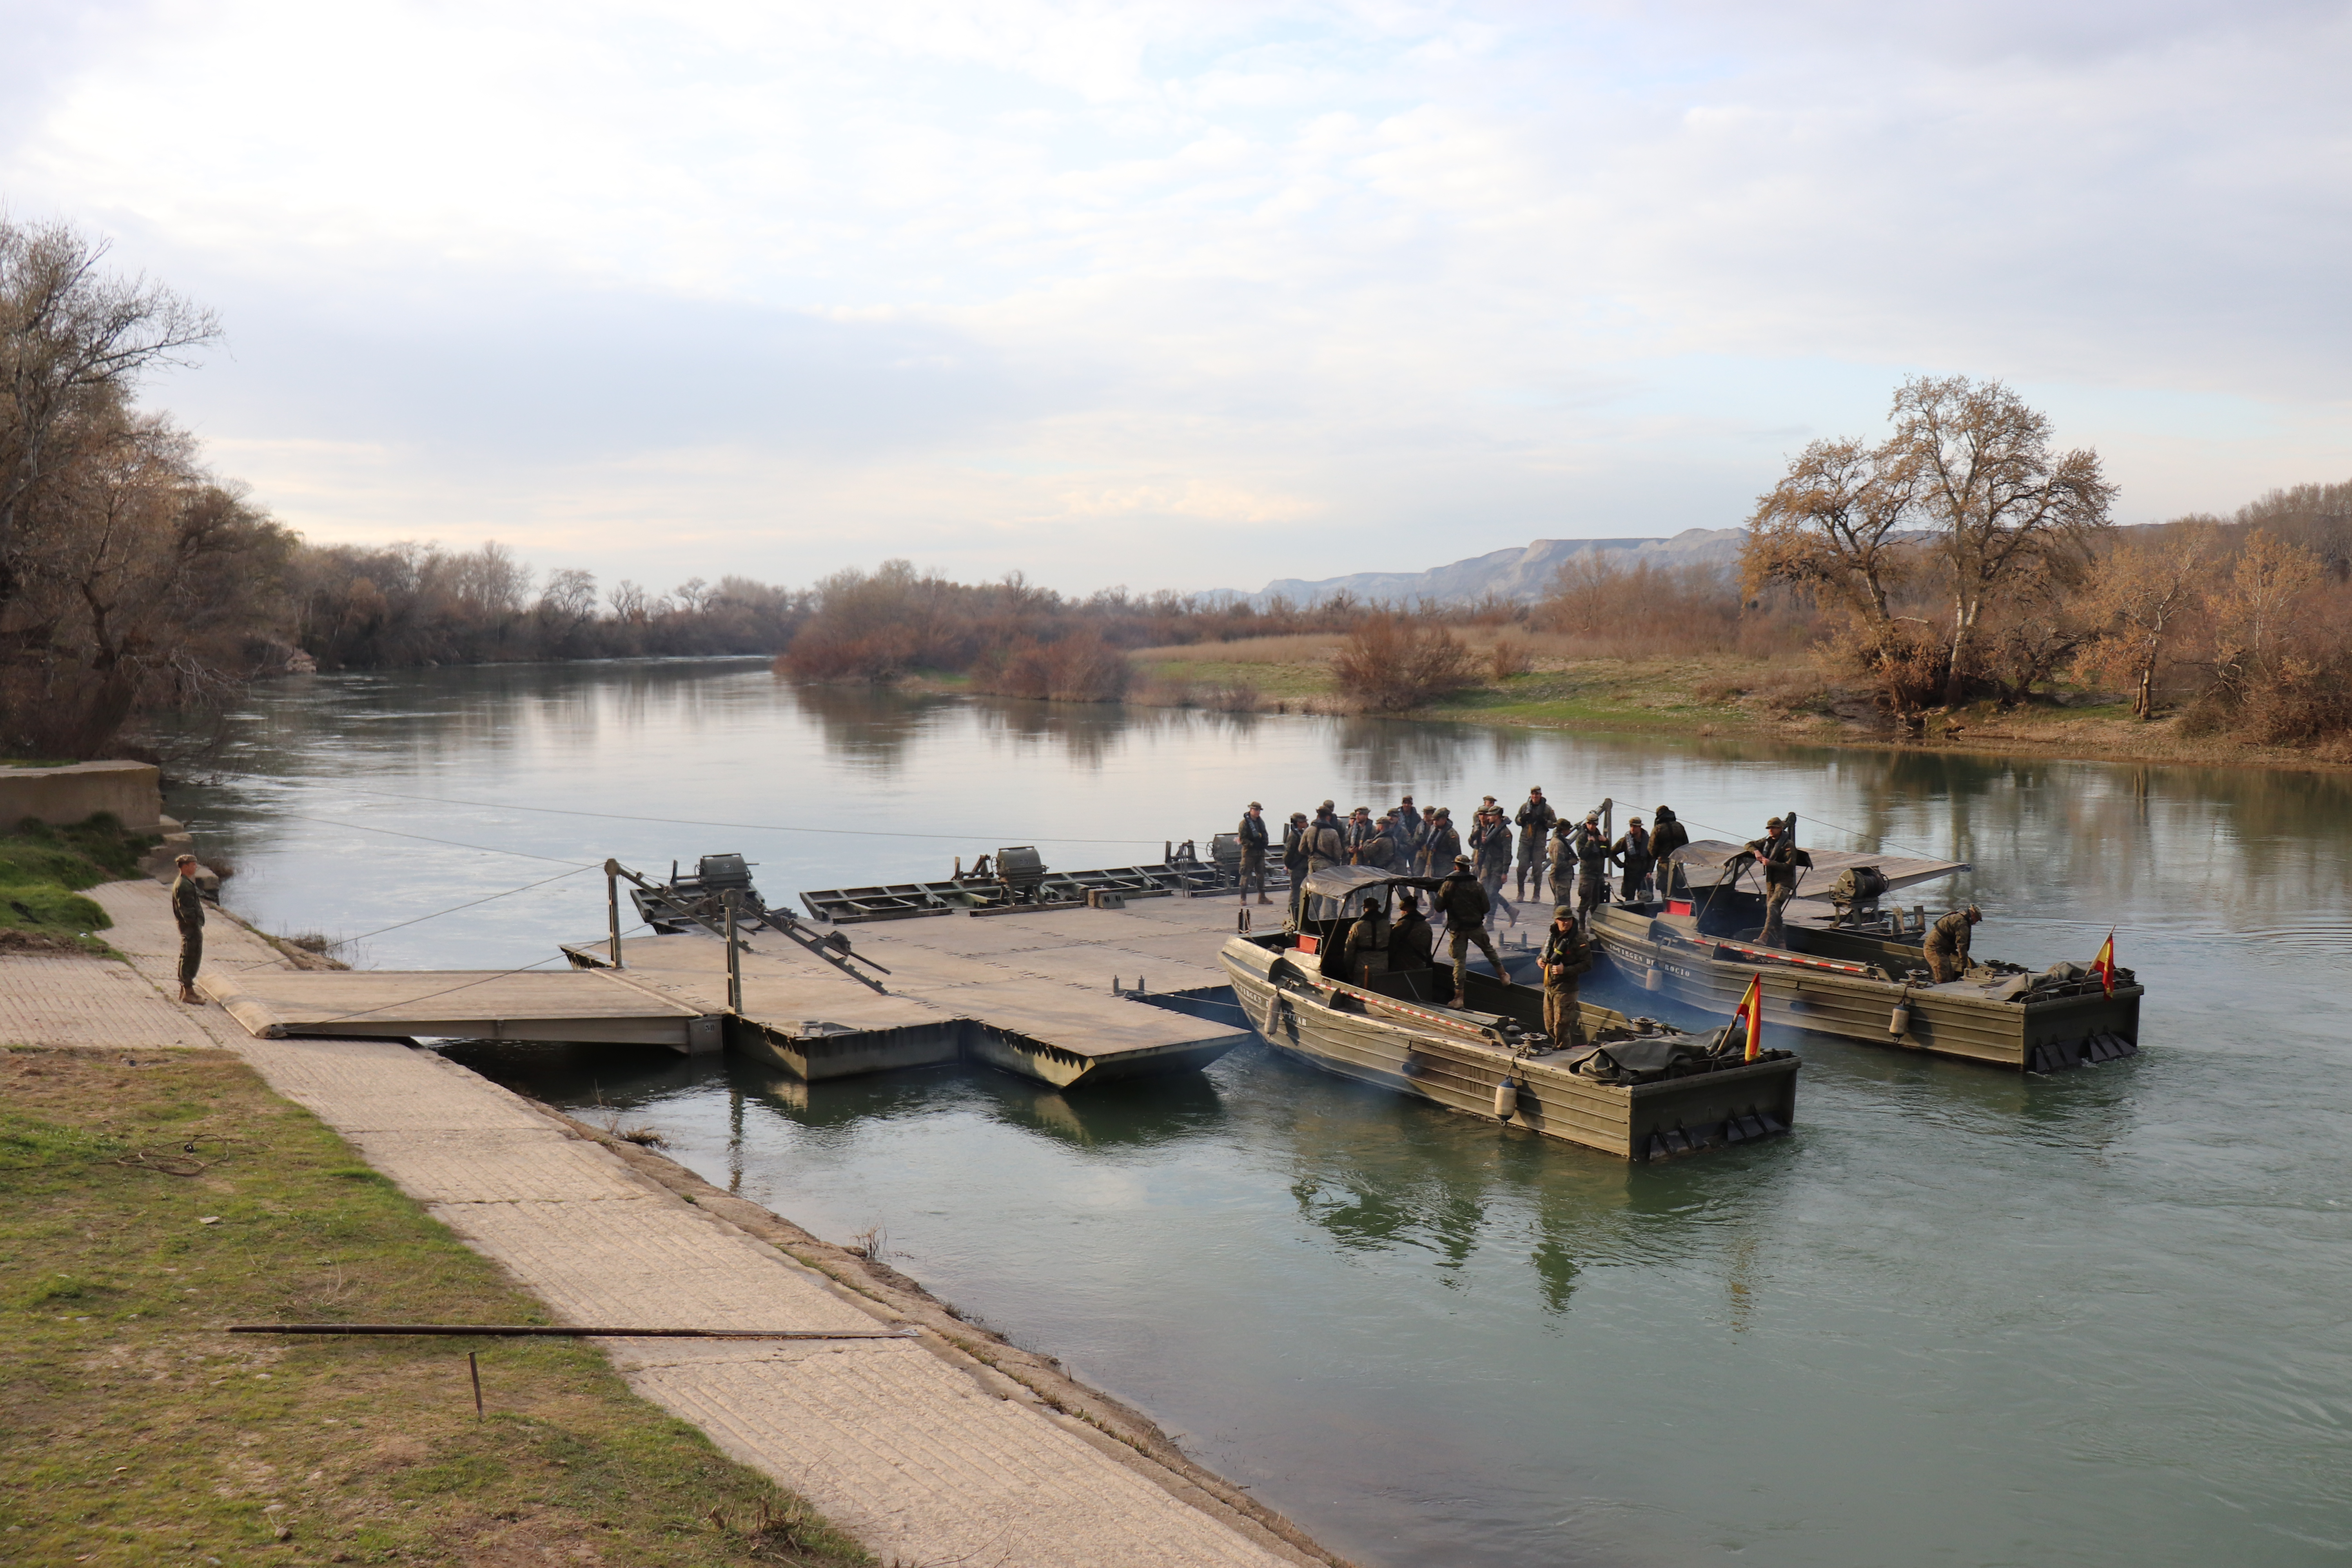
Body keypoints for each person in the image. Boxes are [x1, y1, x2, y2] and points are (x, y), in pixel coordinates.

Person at [1435, 854, 1504, 999]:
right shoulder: (1477, 885)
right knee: (1489, 950)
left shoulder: (1447, 885)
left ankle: (1459, 997)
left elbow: (1439, 908)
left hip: (1457, 929)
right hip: (1476, 927)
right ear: (1468, 867)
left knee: (1459, 961)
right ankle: (1503, 976)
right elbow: (1486, 908)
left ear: (1455, 867)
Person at [1746, 815, 1804, 946]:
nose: (1771, 830)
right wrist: (1756, 851)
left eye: (1774, 828)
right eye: (1769, 828)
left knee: (1772, 906)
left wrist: (1771, 863)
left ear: (1780, 828)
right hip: (1771, 883)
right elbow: (1748, 845)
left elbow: (1790, 865)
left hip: (1784, 883)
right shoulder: (1767, 842)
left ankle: (1764, 937)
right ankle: (1782, 944)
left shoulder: (1788, 845)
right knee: (1774, 912)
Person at [1539, 906, 1592, 1047]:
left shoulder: (1578, 939)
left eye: (1568, 919)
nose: (1565, 923)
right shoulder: (1553, 935)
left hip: (1567, 989)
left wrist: (1565, 970)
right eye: (1562, 920)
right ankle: (1560, 1047)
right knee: (1550, 1026)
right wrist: (1540, 959)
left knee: (1562, 1026)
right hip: (1550, 987)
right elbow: (1545, 951)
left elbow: (1587, 964)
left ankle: (1564, 1051)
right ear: (1556, 921)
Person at [170, 852, 206, 1004]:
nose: (195, 867)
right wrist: (195, 925)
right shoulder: (183, 885)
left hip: (191, 927)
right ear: (185, 867)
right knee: (190, 956)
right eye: (193, 865)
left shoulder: (185, 883)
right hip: (190, 928)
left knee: (190, 955)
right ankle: (188, 991)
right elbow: (187, 911)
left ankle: (186, 990)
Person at [1469, 806, 1515, 923]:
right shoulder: (1491, 829)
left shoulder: (1505, 833)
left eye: (1490, 815)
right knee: (1486, 891)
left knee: (1492, 893)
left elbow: (1507, 854)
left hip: (1498, 867)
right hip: (1487, 865)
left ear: (1497, 817)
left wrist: (1505, 872)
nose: (1488, 817)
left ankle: (1490, 921)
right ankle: (1510, 910)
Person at [1514, 788, 1557, 899]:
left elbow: (1554, 823)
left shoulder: (1547, 809)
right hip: (1525, 841)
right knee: (1522, 868)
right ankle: (1521, 892)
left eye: (1537, 795)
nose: (1535, 797)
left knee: (1538, 869)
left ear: (1541, 795)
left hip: (1539, 843)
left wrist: (1544, 822)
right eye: (1533, 794)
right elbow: (1517, 820)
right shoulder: (1525, 807)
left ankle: (1536, 894)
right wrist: (1523, 819)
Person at [1923, 904, 1982, 982]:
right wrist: (1964, 966)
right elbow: (1962, 946)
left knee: (1950, 975)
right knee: (1944, 978)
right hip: (1935, 949)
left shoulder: (1958, 916)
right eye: (1976, 920)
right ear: (1973, 915)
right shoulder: (1962, 923)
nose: (1975, 923)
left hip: (1941, 949)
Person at [1574, 815, 1612, 920]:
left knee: (1597, 902)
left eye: (1594, 824)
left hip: (1599, 874)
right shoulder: (1582, 837)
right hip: (1587, 874)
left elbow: (1607, 854)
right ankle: (1581, 926)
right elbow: (1582, 855)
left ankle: (1595, 924)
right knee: (1585, 901)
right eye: (1590, 824)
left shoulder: (1600, 837)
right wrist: (1590, 843)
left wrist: (1606, 842)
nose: (1591, 826)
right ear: (1586, 824)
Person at [1341, 899, 1389, 979]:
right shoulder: (1386, 924)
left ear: (1364, 909)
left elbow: (1349, 951)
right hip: (1382, 967)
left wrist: (1349, 969)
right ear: (1377, 909)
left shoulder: (1358, 926)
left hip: (1363, 967)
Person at [1648, 804, 1690, 895]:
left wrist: (1655, 859)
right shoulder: (1680, 827)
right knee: (1678, 886)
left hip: (1664, 863)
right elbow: (1686, 845)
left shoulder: (1657, 829)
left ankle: (1666, 906)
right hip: (1678, 861)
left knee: (1664, 888)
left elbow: (1652, 850)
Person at [1236, 802, 1271, 906]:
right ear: (1251, 810)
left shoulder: (1261, 822)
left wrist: (1264, 843)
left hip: (1260, 853)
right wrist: (1252, 845)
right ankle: (1243, 898)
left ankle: (1262, 897)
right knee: (1246, 874)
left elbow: (1265, 833)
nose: (1257, 812)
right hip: (1249, 853)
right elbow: (1243, 839)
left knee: (1261, 875)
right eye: (1256, 810)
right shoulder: (1245, 823)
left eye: (1259, 810)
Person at [1612, 815, 1653, 902]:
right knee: (1629, 899)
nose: (1633, 829)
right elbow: (1612, 852)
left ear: (1640, 827)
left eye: (1635, 827)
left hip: (1643, 874)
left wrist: (1650, 871)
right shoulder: (1625, 841)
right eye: (1631, 826)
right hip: (1630, 875)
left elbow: (1652, 857)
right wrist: (1620, 865)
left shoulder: (1648, 841)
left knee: (1645, 899)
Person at [1390, 892, 1435, 972]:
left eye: (1401, 911)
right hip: (1422, 965)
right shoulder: (1426, 925)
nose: (1401, 913)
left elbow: (1392, 946)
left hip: (1404, 967)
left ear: (1405, 910)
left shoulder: (1402, 925)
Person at [1418, 807, 1462, 879]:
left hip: (1446, 866)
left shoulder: (1451, 834)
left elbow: (1457, 853)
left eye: (1437, 820)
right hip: (1434, 865)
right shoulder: (1435, 831)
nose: (1435, 822)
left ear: (1444, 819)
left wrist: (1458, 867)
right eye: (1434, 820)